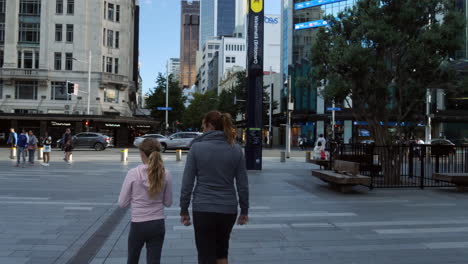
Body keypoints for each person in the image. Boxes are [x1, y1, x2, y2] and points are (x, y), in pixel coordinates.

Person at [180, 111, 249, 264]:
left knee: (205, 255)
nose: (202, 129)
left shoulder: (197, 148)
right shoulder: (236, 149)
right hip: (228, 208)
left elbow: (187, 184)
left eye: (203, 126)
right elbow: (242, 185)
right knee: (222, 253)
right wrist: (244, 210)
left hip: (203, 208)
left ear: (210, 126)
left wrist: (183, 209)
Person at [118, 138, 173, 264]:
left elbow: (122, 203)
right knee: (154, 261)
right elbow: (168, 203)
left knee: (132, 259)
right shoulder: (166, 174)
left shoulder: (133, 173)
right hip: (157, 223)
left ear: (142, 153)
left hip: (138, 224)